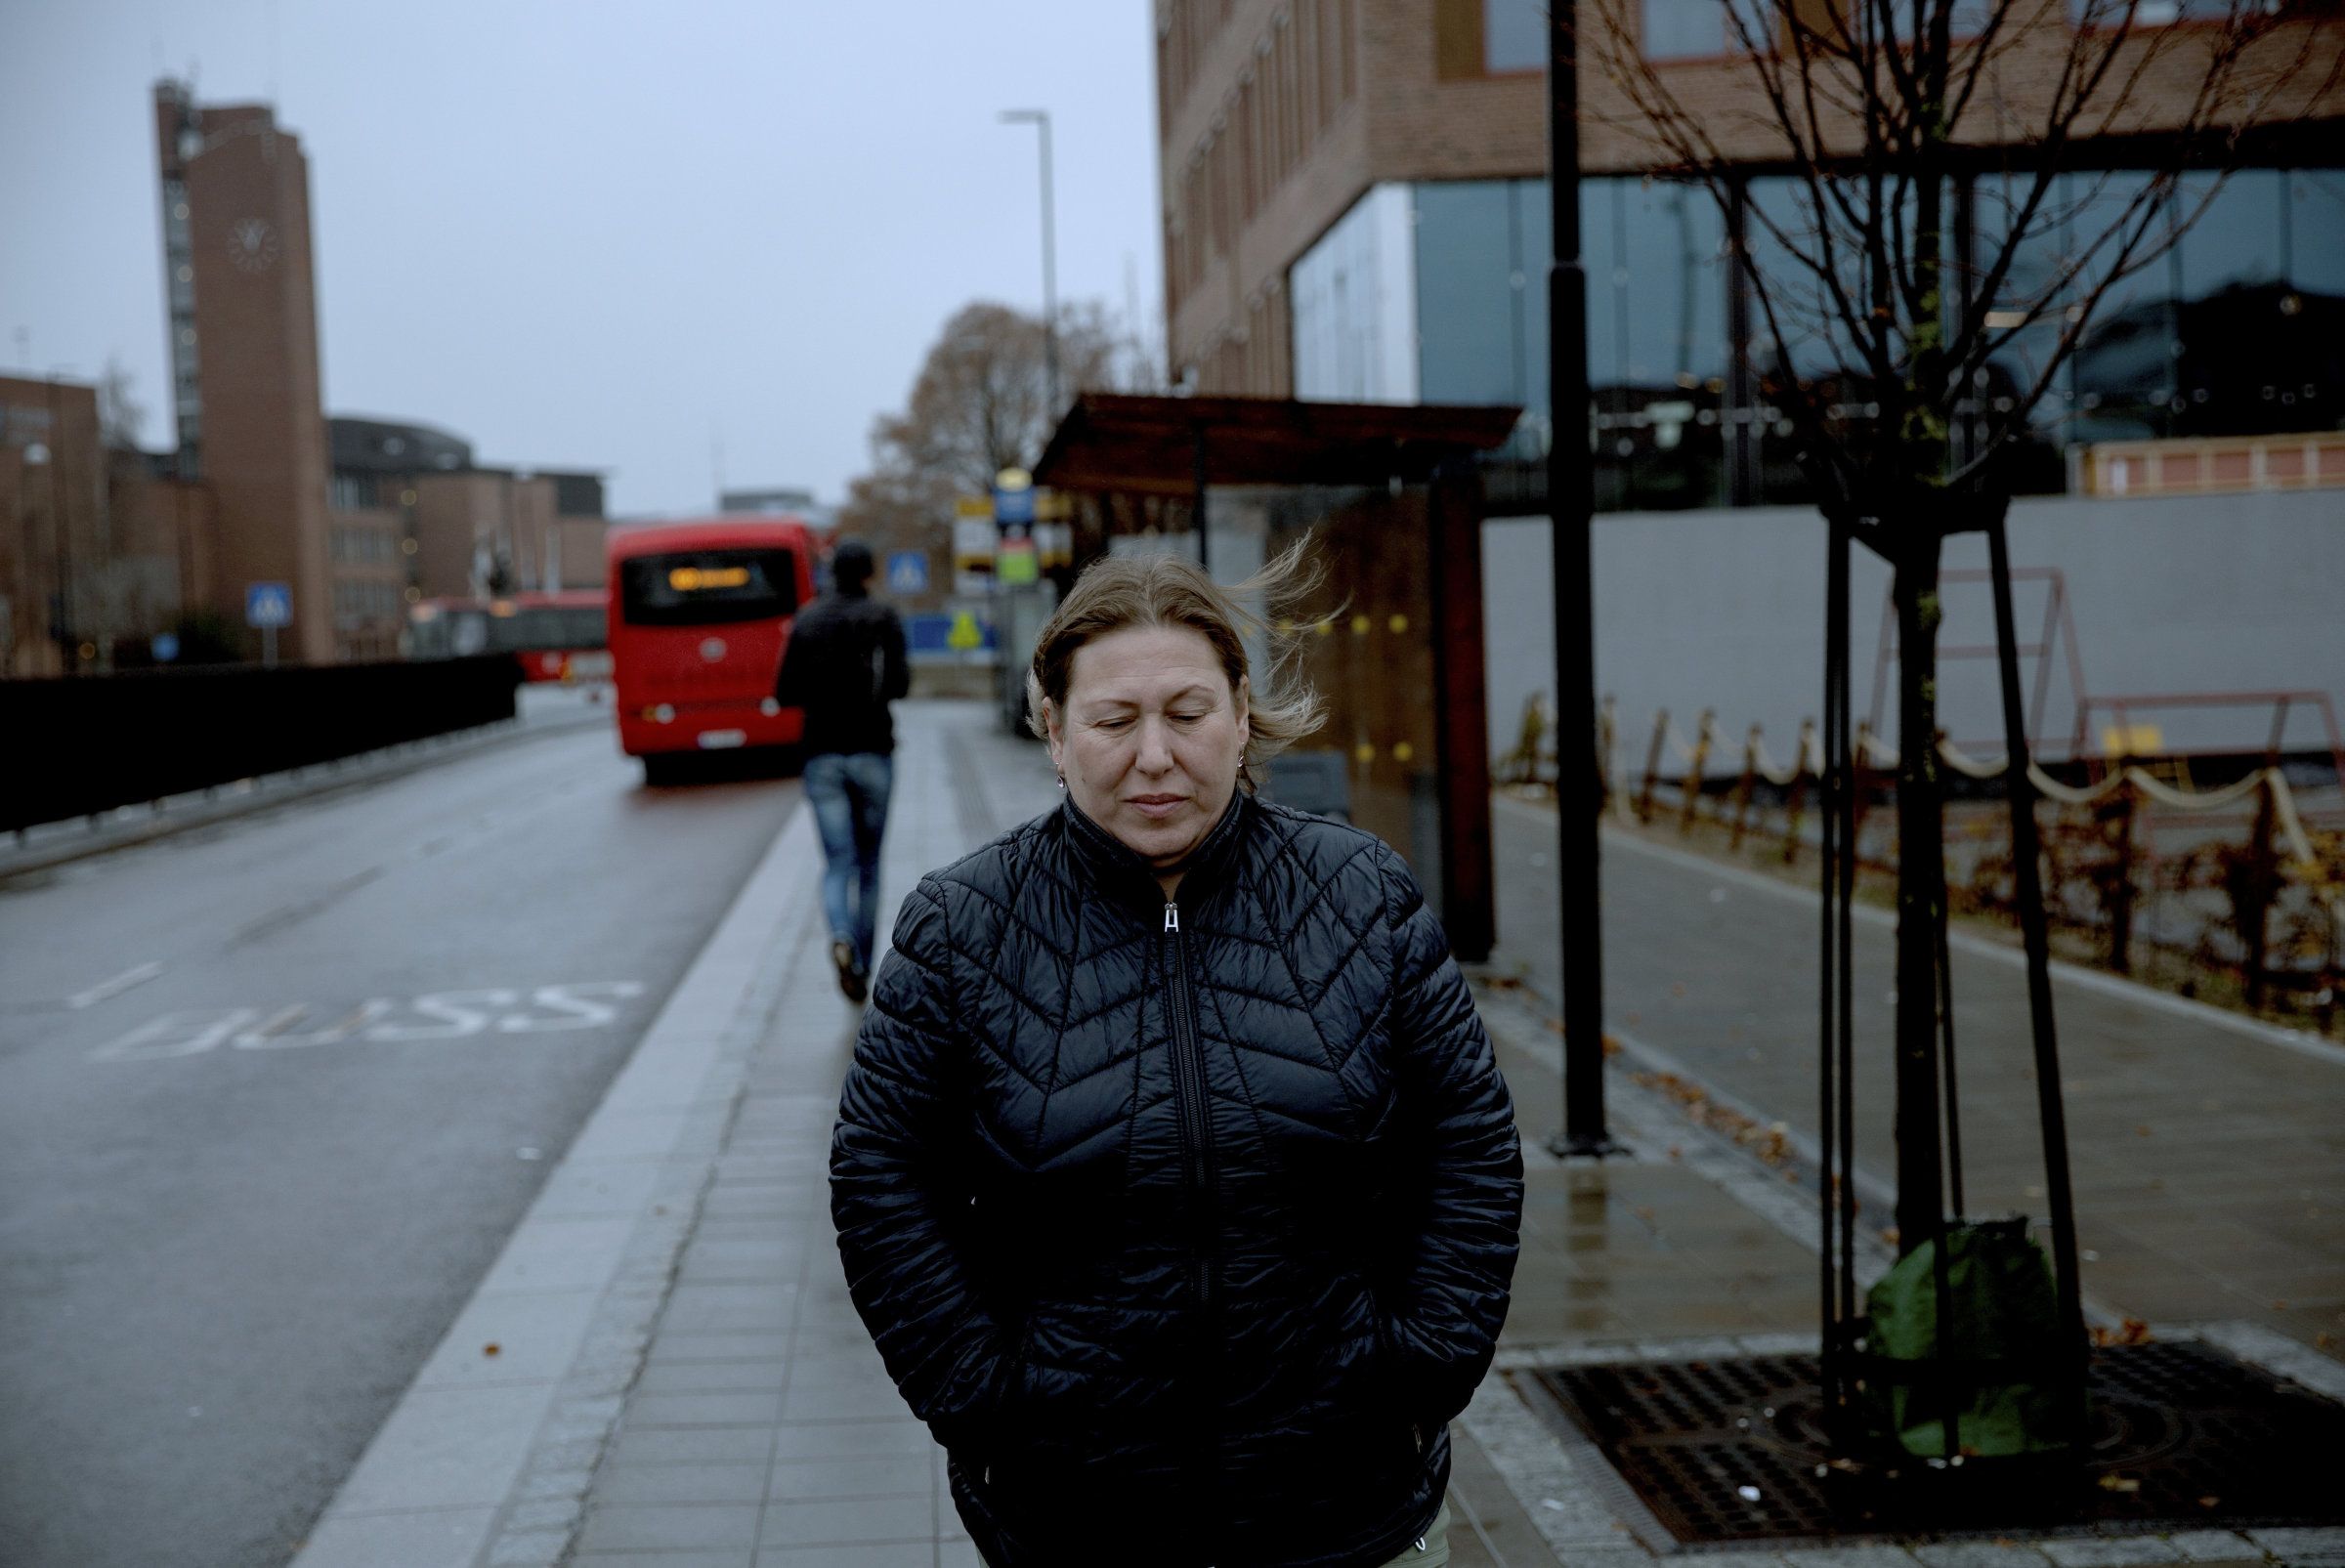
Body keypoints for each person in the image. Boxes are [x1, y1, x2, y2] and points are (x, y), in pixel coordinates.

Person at [830, 543, 1523, 1568]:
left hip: (1345, 1505)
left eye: (1188, 714)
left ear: (1242, 716)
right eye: (1114, 721)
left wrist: (1418, 1379)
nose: (1154, 756)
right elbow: (881, 1180)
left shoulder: (1361, 894)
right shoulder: (961, 926)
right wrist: (987, 1409)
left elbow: (1469, 1142)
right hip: (1073, 1516)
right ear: (1056, 731)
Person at [775, 537, 909, 1002]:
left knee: (837, 863)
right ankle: (863, 965)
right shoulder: (883, 617)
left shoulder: (807, 619)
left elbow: (784, 690)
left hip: (822, 754)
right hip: (873, 749)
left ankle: (840, 936)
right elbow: (900, 684)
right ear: (869, 573)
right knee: (870, 865)